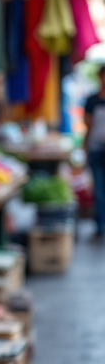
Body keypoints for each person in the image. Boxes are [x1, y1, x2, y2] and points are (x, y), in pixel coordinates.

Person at [83, 66, 105, 238]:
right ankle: (100, 224)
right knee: (98, 189)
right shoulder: (91, 100)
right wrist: (84, 148)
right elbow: (88, 127)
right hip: (96, 150)